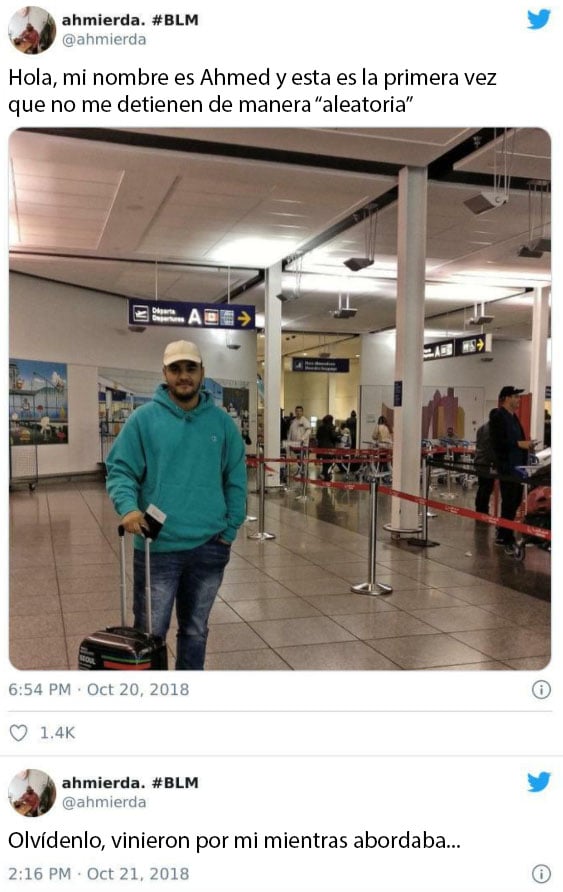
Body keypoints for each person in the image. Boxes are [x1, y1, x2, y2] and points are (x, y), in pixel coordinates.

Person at [105, 340, 247, 670]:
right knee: (150, 633)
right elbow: (121, 468)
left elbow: (236, 478)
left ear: (202, 373)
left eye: (190, 368)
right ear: (165, 373)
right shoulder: (143, 420)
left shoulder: (222, 424)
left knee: (196, 630)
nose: (184, 376)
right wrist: (128, 508)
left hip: (210, 546)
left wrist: (229, 530)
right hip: (157, 548)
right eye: (176, 369)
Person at [489, 386, 535, 552]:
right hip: (507, 467)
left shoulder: (514, 417)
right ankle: (505, 537)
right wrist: (518, 444)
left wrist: (526, 445)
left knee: (515, 501)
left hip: (518, 468)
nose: (518, 400)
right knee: (509, 501)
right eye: (515, 396)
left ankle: (504, 531)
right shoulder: (498, 416)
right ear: (506, 398)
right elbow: (498, 442)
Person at [474, 410, 497, 515]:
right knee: (487, 488)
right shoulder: (491, 430)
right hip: (486, 463)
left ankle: (479, 508)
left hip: (479, 461)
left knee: (482, 486)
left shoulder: (482, 428)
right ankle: (482, 510)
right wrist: (495, 462)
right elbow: (489, 449)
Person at [287, 405, 311, 476]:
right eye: (297, 411)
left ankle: (303, 472)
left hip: (303, 444)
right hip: (295, 444)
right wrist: (289, 441)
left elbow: (309, 430)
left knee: (302, 458)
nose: (298, 412)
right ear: (295, 412)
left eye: (300, 411)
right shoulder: (293, 421)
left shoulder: (305, 421)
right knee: (298, 458)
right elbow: (290, 432)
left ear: (302, 412)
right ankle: (300, 471)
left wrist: (303, 438)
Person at [315, 414, 339, 481]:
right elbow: (333, 436)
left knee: (325, 462)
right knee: (329, 462)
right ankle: (326, 475)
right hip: (329, 447)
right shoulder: (331, 427)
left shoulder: (320, 428)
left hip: (321, 447)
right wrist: (338, 436)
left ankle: (323, 474)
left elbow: (317, 437)